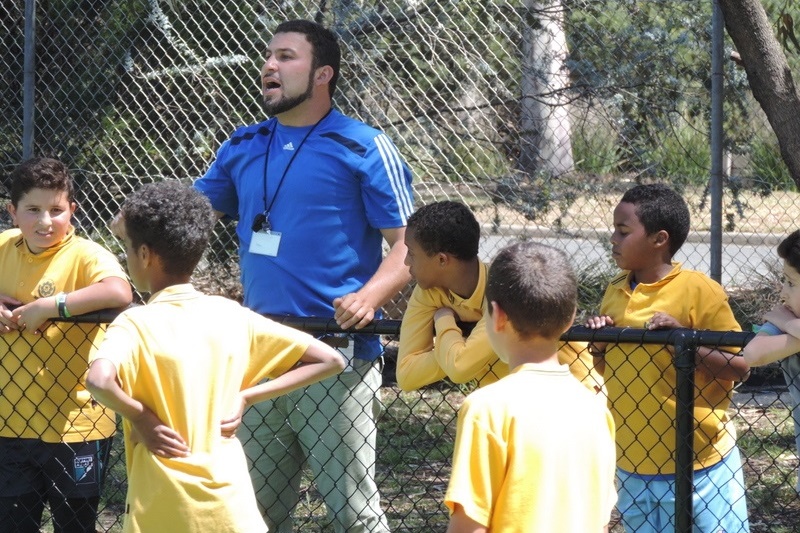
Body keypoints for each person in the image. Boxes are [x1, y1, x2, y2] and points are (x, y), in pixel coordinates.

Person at [194, 19, 413, 532]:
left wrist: (369, 295)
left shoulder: (363, 146)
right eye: (268, 56)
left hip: (336, 355)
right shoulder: (244, 144)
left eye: (286, 56)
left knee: (353, 515)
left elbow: (410, 247)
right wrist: (140, 219)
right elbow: (185, 217)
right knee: (250, 513)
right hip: (258, 356)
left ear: (322, 75)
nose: (269, 65)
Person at [85, 181, 345, 533]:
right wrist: (247, 395)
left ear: (144, 255)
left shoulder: (135, 322)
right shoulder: (232, 314)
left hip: (162, 508)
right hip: (230, 509)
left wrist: (142, 418)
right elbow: (331, 360)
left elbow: (99, 380)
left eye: (127, 248)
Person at [585, 183, 751, 533]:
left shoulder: (698, 290)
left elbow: (740, 366)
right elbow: (608, 368)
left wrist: (685, 343)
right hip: (633, 463)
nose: (612, 238)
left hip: (700, 465)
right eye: (614, 229)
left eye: (623, 230)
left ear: (659, 240)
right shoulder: (614, 290)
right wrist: (599, 343)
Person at [444, 242, 617, 532]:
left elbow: (468, 525)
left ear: (497, 316)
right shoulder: (595, 409)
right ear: (571, 317)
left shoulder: (486, 409)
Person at [0, 157, 133, 533]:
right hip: (10, 421)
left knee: (75, 525)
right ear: (12, 212)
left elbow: (119, 290)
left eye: (57, 210)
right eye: (33, 210)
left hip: (77, 425)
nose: (45, 221)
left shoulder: (86, 255)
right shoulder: (4, 246)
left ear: (72, 210)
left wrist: (51, 306)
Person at [397, 200, 604, 395]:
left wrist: (443, 319)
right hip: (514, 403)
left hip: (575, 392)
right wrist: (461, 347)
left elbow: (459, 368)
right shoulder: (429, 292)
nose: (406, 262)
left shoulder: (503, 287)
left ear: (442, 260)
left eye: (411, 253)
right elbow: (407, 376)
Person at [742, 229, 800, 494]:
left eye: (791, 283)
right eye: (783, 280)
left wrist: (788, 324)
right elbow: (753, 354)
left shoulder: (784, 319)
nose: (783, 293)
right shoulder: (784, 316)